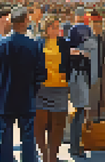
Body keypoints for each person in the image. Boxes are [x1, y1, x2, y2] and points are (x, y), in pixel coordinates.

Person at [0, 6, 47, 162]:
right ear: (24, 22)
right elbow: (41, 74)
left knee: (5, 139)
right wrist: (33, 90)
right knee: (28, 138)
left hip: (4, 98)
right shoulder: (34, 45)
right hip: (26, 97)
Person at [34, 15, 70, 162]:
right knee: (39, 125)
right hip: (42, 88)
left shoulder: (64, 43)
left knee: (58, 125)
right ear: (46, 28)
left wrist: (66, 75)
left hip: (60, 88)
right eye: (54, 27)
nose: (57, 30)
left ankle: (53, 156)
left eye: (58, 27)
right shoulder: (38, 43)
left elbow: (68, 63)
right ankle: (44, 154)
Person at [68, 7, 92, 157]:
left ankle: (75, 144)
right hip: (83, 73)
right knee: (80, 110)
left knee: (78, 110)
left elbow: (69, 50)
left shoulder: (72, 29)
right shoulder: (88, 30)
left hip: (76, 73)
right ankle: (76, 145)